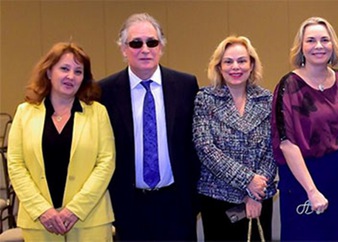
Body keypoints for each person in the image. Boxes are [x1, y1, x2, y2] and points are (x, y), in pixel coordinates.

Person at [99, 13, 200, 241]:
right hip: (129, 205)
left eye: (151, 42)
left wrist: (193, 199)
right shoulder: (105, 92)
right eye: (136, 43)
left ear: (161, 47)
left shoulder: (186, 86)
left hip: (177, 204)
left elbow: (194, 146)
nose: (145, 49)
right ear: (123, 49)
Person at [7, 42, 115, 241]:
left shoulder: (98, 113)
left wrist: (75, 210)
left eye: (78, 71)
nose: (70, 76)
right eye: (64, 68)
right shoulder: (24, 112)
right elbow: (16, 164)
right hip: (40, 223)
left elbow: (106, 163)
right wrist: (42, 210)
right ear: (49, 72)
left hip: (89, 222)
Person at [271, 16, 338, 241]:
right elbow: (286, 143)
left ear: (333, 45)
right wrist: (312, 190)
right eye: (311, 40)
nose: (319, 46)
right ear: (301, 47)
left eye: (324, 40)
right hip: (303, 179)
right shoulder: (288, 85)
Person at [193, 36, 277, 241]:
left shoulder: (266, 99)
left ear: (251, 65)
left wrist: (256, 192)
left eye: (242, 61)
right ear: (219, 67)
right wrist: (248, 180)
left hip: (259, 199)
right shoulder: (205, 99)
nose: (235, 67)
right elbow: (205, 147)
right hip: (217, 200)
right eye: (228, 61)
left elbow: (273, 148)